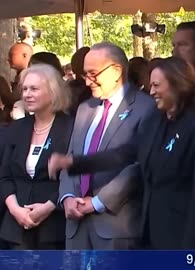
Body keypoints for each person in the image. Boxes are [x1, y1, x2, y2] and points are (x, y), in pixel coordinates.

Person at [50, 57, 195, 249]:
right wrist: (72, 163)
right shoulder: (155, 122)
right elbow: (124, 153)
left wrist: (190, 249)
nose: (151, 91)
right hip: (150, 231)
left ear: (178, 85)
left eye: (156, 85)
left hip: (181, 235)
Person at [57, 42, 157, 250]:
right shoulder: (85, 108)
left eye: (93, 74)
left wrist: (97, 202)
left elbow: (139, 164)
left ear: (116, 71)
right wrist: (66, 197)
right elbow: (72, 157)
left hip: (115, 226)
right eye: (85, 74)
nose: (87, 82)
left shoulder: (145, 108)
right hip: (75, 225)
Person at [0, 64, 73, 249]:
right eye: (24, 89)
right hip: (15, 230)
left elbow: (74, 178)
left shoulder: (71, 128)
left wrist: (49, 206)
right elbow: (5, 176)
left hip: (54, 228)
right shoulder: (17, 128)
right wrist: (15, 210)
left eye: (34, 88)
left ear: (53, 91)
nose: (27, 94)